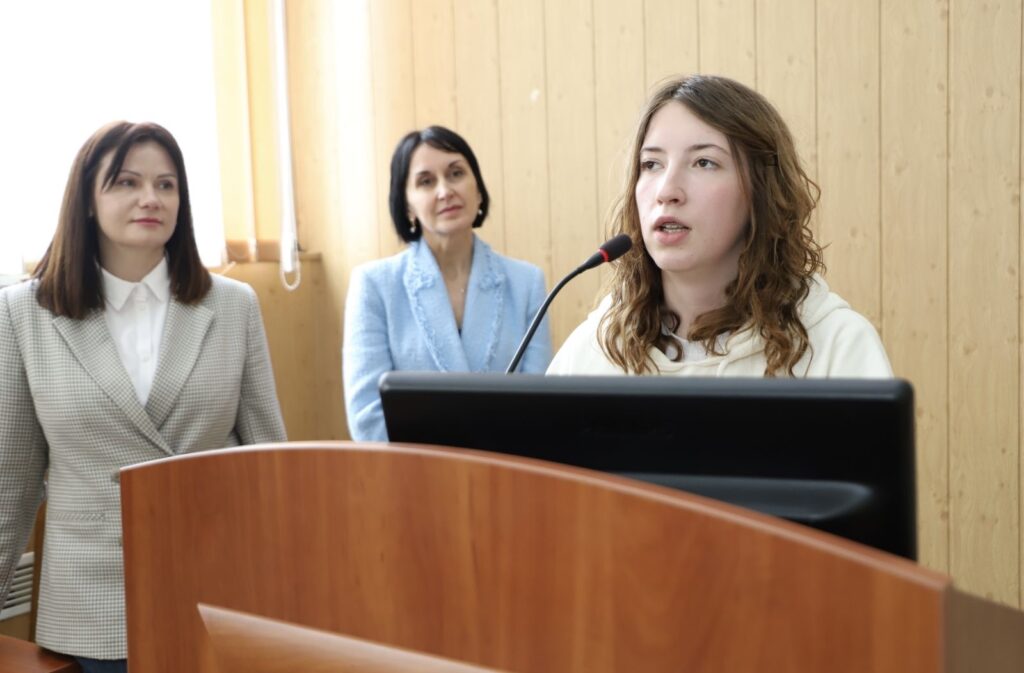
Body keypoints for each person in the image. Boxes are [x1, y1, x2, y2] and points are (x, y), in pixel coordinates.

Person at [0, 121, 286, 672]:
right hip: (92, 603)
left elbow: (269, 464)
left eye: (166, 185)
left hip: (219, 592)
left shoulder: (234, 306)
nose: (150, 198)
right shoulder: (22, 314)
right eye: (127, 182)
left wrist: (286, 593)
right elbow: (10, 478)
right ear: (87, 200)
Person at [548, 75, 892, 377]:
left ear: (760, 191)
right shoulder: (592, 352)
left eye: (704, 162)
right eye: (651, 164)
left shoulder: (837, 347)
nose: (667, 191)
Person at [344, 126, 552, 441]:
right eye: (426, 181)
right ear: (407, 204)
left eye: (456, 173)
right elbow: (367, 417)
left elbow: (538, 409)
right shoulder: (374, 285)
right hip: (411, 468)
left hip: (504, 465)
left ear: (478, 189)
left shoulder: (526, 283)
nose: (445, 191)